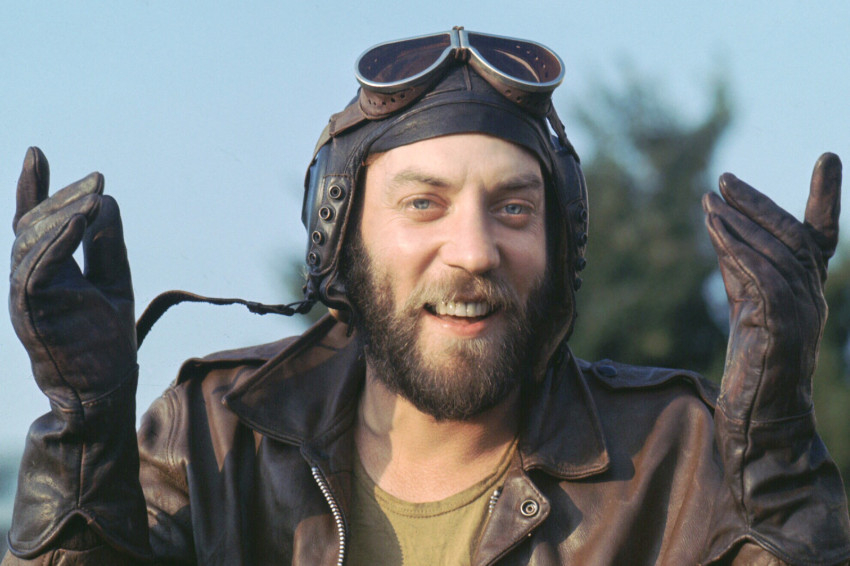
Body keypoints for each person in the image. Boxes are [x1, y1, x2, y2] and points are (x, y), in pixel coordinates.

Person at [3, 27, 850, 566]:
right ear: (341, 241)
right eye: (423, 204)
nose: (474, 250)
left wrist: (778, 472)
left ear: (561, 245)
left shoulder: (679, 454)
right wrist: (82, 434)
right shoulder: (216, 438)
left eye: (513, 209)